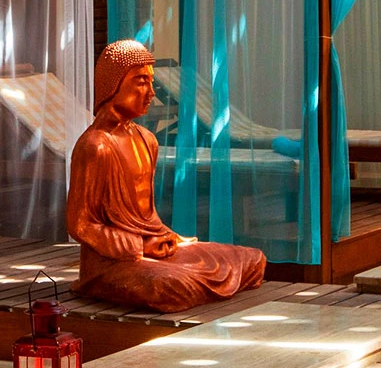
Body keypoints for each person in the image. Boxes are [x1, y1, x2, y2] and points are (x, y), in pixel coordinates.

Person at [65, 39, 266, 312]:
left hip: (153, 248)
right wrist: (138, 245)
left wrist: (163, 239)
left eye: (151, 82)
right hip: (112, 262)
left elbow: (147, 216)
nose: (151, 92)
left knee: (251, 259)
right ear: (113, 85)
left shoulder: (147, 140)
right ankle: (111, 283)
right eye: (141, 82)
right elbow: (80, 223)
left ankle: (185, 273)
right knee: (171, 286)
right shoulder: (95, 145)